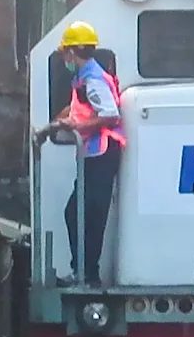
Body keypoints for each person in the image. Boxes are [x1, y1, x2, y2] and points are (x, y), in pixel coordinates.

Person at [34, 21, 125, 287]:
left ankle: (87, 274)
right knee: (76, 212)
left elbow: (110, 114)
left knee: (86, 214)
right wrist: (54, 123)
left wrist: (77, 127)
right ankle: (83, 272)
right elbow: (77, 108)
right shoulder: (85, 78)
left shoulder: (93, 80)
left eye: (65, 54)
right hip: (93, 156)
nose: (64, 59)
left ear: (72, 53)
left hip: (102, 155)